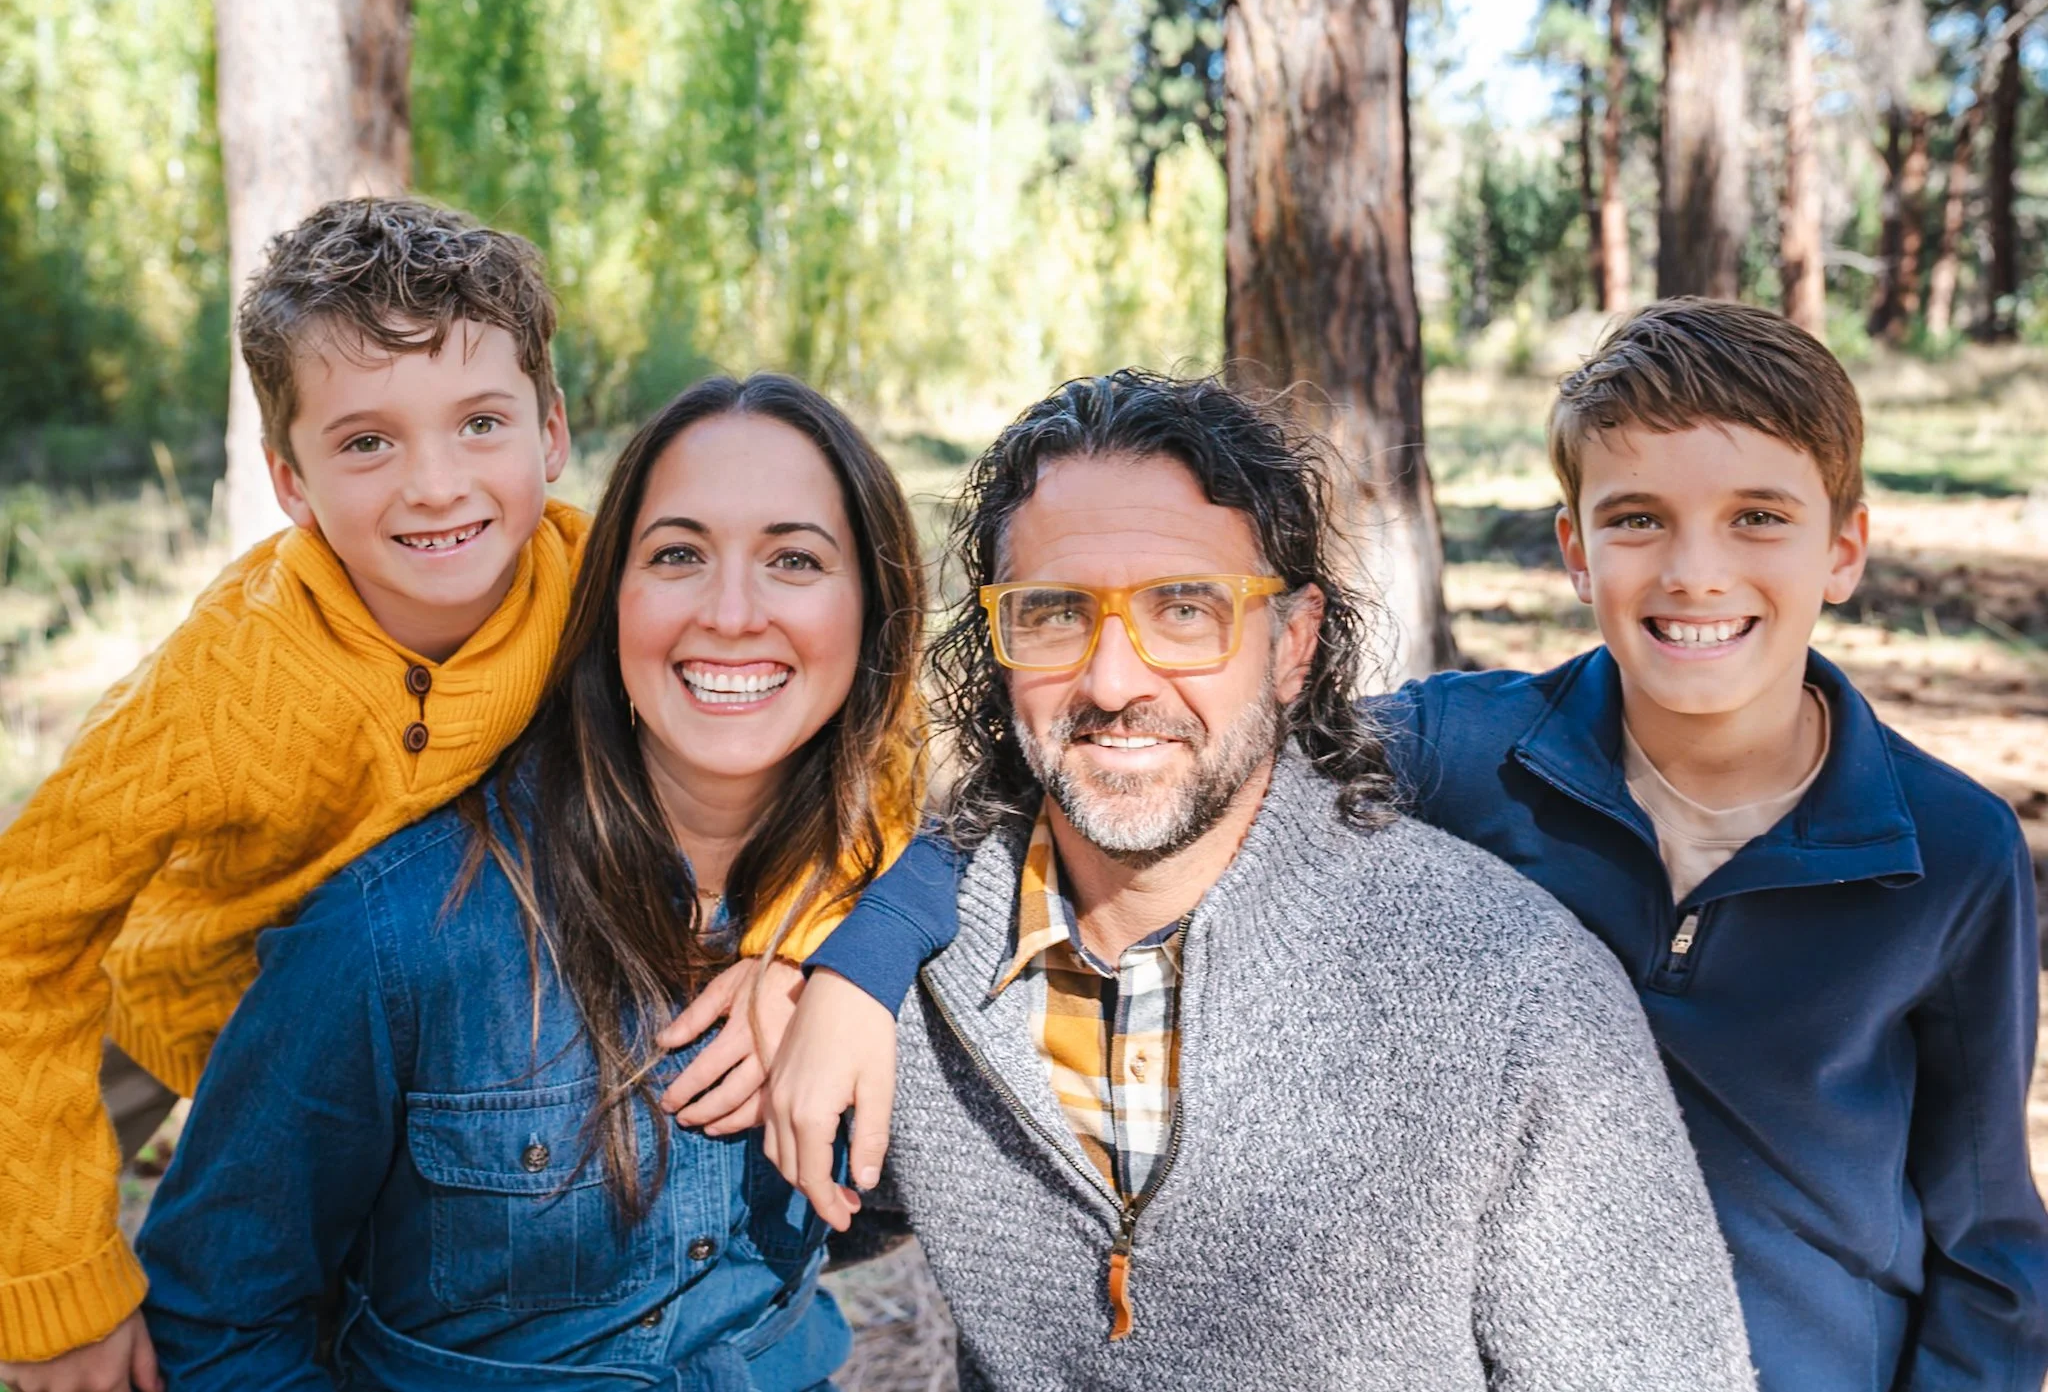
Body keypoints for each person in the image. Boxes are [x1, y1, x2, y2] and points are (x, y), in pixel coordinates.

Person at [775, 307, 2048, 1390]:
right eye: (1640, 519)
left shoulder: (1945, 847)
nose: (1696, 569)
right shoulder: (1462, 749)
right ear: (1575, 548)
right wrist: (866, 947)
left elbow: (1985, 1228)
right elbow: (1143, 769)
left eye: (1758, 517)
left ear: (1843, 548)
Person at [711, 370, 1757, 1386]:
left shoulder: (1516, 998)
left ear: (1292, 643)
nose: (1113, 679)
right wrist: (795, 969)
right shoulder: (910, 983)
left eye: (1183, 608)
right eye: (1054, 612)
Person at [133, 373, 925, 1388]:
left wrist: (844, 968)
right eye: (677, 553)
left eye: (794, 558)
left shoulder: (890, 916)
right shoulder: (398, 931)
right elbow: (217, 1317)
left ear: (872, 607)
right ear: (609, 599)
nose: (731, 612)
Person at [0, 197, 587, 1392]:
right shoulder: (228, 676)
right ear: (289, 478)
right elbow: (25, 932)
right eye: (367, 442)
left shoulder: (600, 588)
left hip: (377, 1007)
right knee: (52, 1293)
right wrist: (56, 1290)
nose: (435, 485)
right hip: (162, 983)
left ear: (552, 433)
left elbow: (849, 707)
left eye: (480, 422)